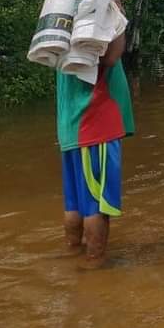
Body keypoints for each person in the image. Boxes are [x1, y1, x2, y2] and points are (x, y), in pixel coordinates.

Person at [58, 25, 134, 269]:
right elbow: (110, 56)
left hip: (71, 126)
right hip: (95, 124)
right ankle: (95, 263)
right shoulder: (98, 13)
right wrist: (118, 19)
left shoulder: (65, 17)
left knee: (75, 203)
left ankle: (72, 253)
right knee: (96, 204)